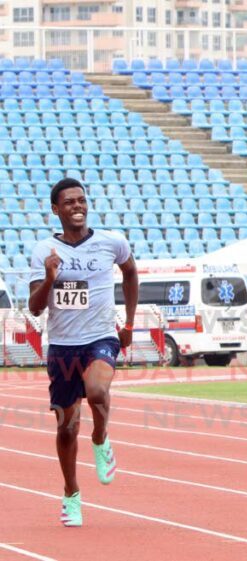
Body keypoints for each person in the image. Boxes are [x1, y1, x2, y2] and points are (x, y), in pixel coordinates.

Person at [28, 178, 138, 527]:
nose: (78, 206)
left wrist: (130, 325)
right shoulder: (45, 250)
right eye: (70, 202)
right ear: (56, 210)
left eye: (82, 200)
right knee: (65, 428)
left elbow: (131, 274)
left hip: (101, 337)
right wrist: (49, 278)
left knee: (97, 390)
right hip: (62, 347)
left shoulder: (111, 242)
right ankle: (71, 494)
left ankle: (101, 437)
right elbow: (34, 308)